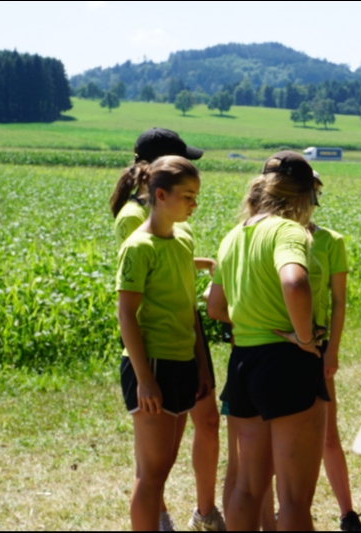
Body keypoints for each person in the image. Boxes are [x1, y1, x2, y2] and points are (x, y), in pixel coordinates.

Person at [110, 127, 225, 532]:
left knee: (163, 466)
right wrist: (144, 379)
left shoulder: (178, 239)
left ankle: (201, 514)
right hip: (154, 362)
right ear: (160, 193)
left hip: (181, 358)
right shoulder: (137, 240)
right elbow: (127, 313)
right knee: (152, 473)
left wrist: (200, 364)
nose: (194, 205)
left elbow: (186, 302)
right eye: (188, 196)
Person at [207, 151, 329, 531]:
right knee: (294, 498)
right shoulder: (288, 231)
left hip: (244, 364)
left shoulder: (233, 236)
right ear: (305, 194)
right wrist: (304, 337)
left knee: (247, 487)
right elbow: (294, 282)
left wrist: (252, 318)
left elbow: (215, 307)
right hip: (288, 363)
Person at [309, 171, 361, 532]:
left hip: (317, 347)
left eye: (315, 193)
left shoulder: (330, 241)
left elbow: (339, 301)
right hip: (275, 347)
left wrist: (333, 350)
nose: (312, 200)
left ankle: (347, 513)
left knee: (329, 435)